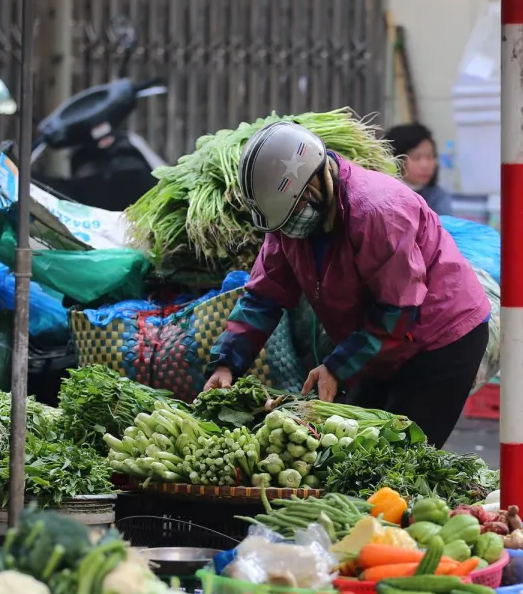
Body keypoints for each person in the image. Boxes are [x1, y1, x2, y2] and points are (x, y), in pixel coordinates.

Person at [203, 121, 490, 448]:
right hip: (380, 340)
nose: (288, 227)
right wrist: (227, 363)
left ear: (315, 183)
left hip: (440, 337)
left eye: (296, 209)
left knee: (401, 459)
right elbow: (262, 297)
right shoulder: (286, 223)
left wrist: (337, 366)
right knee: (348, 448)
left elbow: (396, 309)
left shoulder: (378, 210)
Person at [384, 122, 453, 217]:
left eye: (429, 157)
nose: (425, 165)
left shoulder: (438, 198)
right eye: (416, 157)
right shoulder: (384, 195)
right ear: (395, 159)